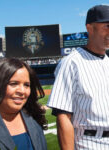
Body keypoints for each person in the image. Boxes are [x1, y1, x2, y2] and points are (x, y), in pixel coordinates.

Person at [47, 4, 109, 150]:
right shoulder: (71, 62)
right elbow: (63, 116)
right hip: (90, 143)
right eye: (107, 26)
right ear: (89, 27)